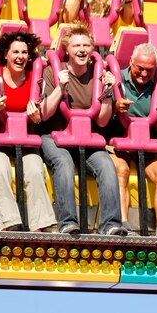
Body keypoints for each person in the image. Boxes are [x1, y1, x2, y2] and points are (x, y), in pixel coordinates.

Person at [39, 21, 126, 236]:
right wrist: (61, 87)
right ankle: (67, 222)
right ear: (67, 50)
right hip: (55, 135)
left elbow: (103, 121)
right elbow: (45, 113)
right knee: (64, 162)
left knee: (106, 165)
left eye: (86, 46)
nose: (81, 50)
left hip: (85, 137)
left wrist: (107, 93)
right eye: (76, 46)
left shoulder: (98, 73)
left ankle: (110, 224)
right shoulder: (53, 71)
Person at [0, 31, 56, 232]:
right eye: (15, 52)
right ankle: (9, 223)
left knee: (34, 168)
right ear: (6, 54)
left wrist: (36, 118)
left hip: (25, 139)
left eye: (24, 52)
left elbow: (40, 116)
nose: (20, 57)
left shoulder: (34, 79)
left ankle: (41, 225)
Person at [107, 43, 157, 237]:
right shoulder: (116, 79)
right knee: (121, 170)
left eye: (149, 70)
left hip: (146, 141)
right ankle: (123, 225)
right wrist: (114, 107)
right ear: (130, 63)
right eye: (140, 68)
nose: (144, 74)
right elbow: (102, 122)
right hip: (118, 140)